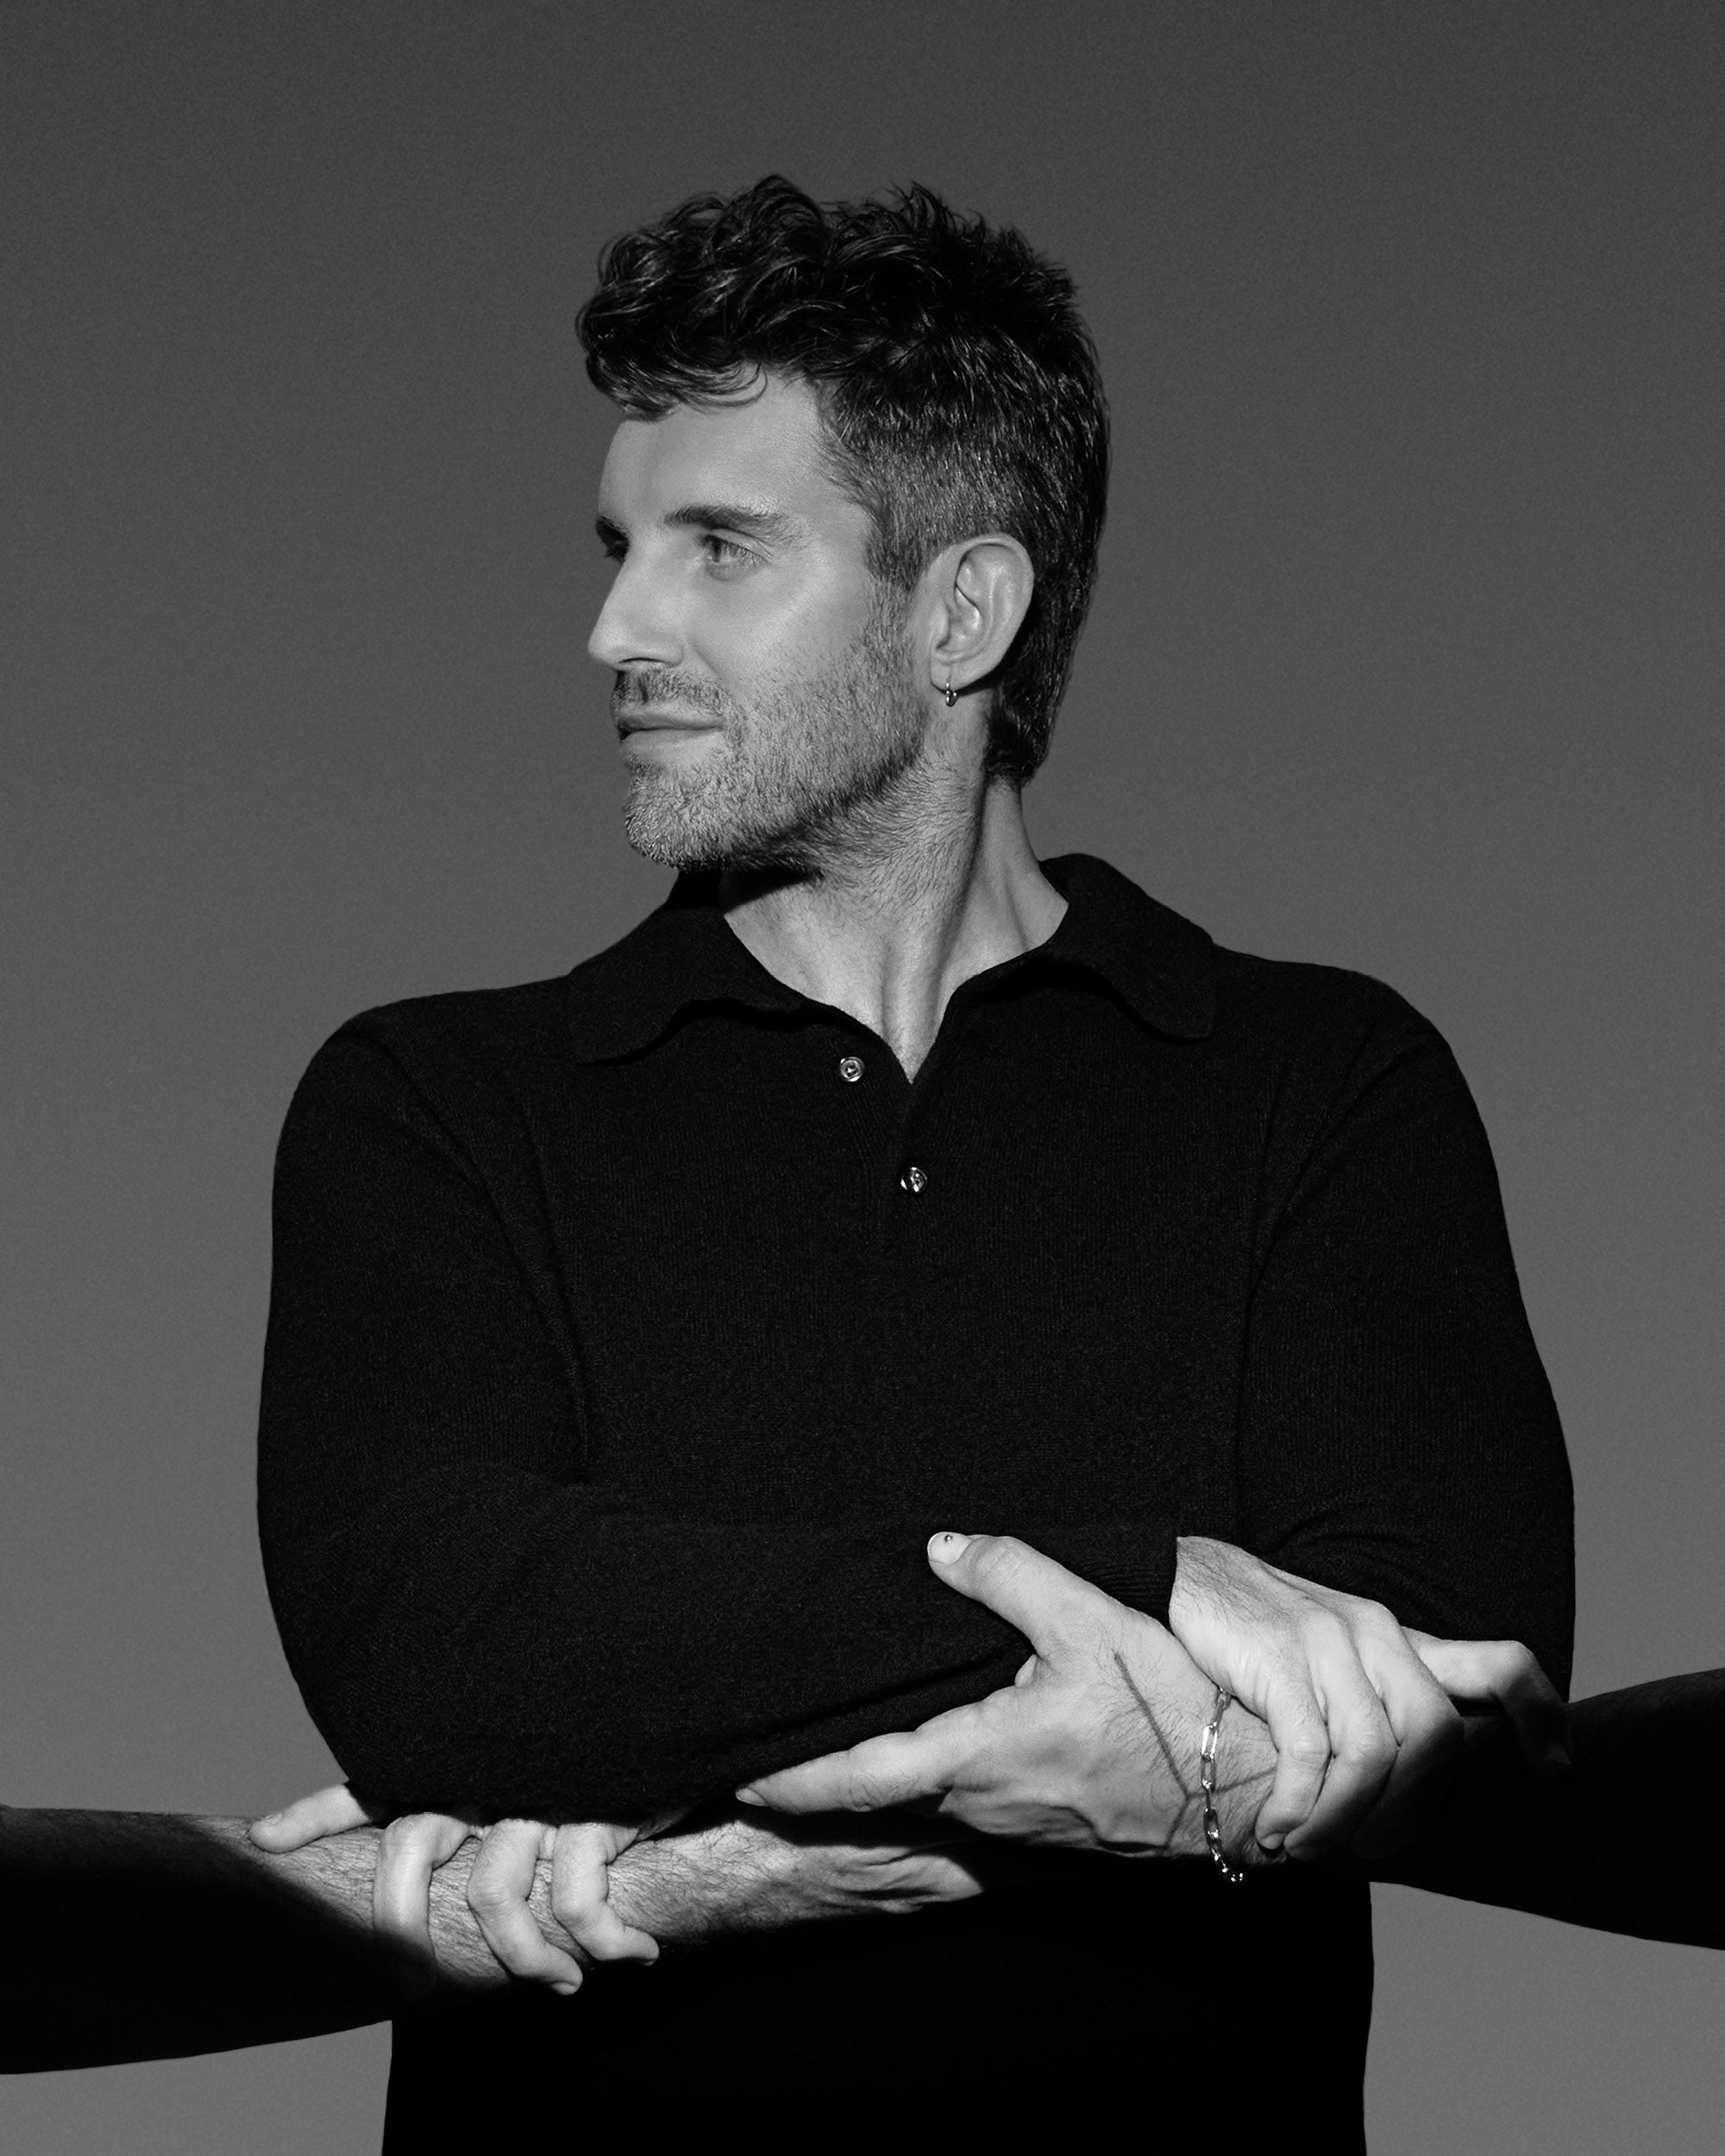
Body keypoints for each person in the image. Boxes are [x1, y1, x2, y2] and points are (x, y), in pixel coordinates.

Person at [254, 177, 1575, 2147]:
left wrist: (679, 1804)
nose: (615, 623)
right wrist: (1147, 1592)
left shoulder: (1319, 1081)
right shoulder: (439, 1103)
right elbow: (442, 1646)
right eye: (622, 546)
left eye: (720, 548)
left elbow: (1439, 1649)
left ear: (962, 610)